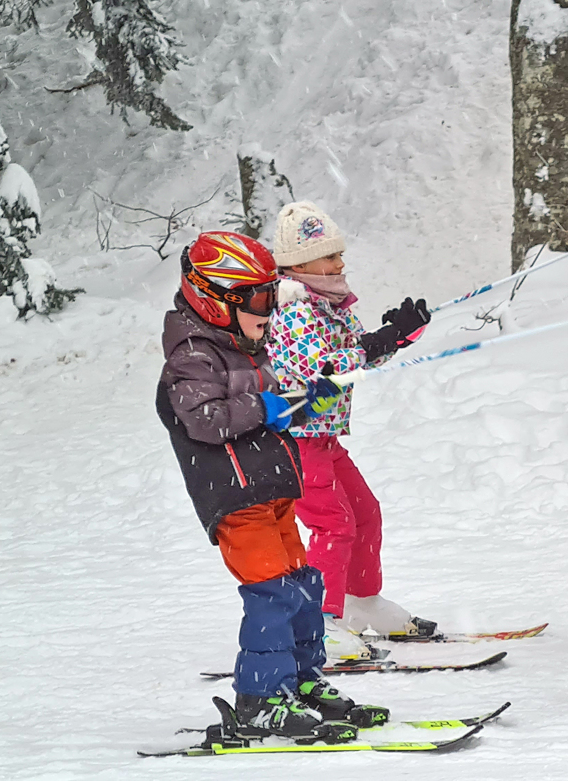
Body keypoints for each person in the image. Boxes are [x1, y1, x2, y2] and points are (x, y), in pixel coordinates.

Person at [156, 231, 382, 736]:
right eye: (262, 299)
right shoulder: (192, 357)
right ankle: (259, 699)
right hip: (237, 499)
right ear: (216, 301)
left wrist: (309, 398)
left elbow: (275, 402)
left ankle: (299, 681)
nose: (270, 309)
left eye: (273, 295)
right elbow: (205, 420)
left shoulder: (245, 344)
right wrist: (268, 406)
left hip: (273, 487)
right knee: (272, 594)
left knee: (303, 588)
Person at [265, 201, 435, 658]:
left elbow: (356, 356)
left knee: (364, 513)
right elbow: (318, 369)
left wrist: (397, 336)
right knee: (333, 524)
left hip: (325, 437)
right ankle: (318, 621)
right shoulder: (293, 309)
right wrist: (372, 345)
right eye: (329, 256)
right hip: (296, 439)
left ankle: (362, 602)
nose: (340, 263)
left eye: (339, 254)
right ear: (298, 264)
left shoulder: (331, 301)